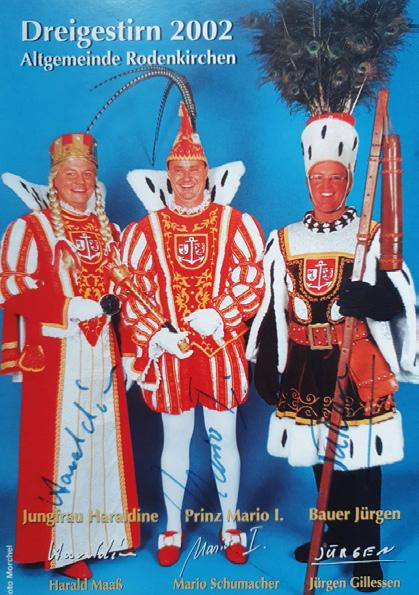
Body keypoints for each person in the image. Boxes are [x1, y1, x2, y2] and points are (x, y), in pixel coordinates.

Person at [246, 112, 418, 591]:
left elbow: (401, 300)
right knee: (321, 457)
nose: (326, 187)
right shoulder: (284, 240)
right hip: (306, 362)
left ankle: (366, 549)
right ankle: (337, 535)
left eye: (336, 178)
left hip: (356, 359)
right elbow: (272, 304)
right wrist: (266, 362)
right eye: (318, 178)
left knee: (361, 461)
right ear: (308, 181)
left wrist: (373, 300)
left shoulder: (371, 234)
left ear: (349, 181)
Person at [120, 103, 265, 566]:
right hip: (170, 356)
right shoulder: (144, 232)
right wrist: (156, 336)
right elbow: (130, 292)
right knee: (175, 441)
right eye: (178, 170)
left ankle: (230, 526)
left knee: (224, 440)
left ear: (207, 172)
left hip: (220, 352)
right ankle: (171, 527)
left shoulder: (236, 224)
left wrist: (219, 315)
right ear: (168, 174)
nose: (186, 178)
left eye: (194, 169)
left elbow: (253, 280)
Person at [0, 133, 140, 579]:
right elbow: (10, 284)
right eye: (71, 174)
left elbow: (129, 298)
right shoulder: (30, 228)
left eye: (88, 173)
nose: (80, 182)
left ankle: (103, 535)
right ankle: (61, 547)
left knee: (102, 441)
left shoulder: (112, 232)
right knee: (63, 447)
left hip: (104, 350)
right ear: (54, 180)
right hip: (57, 353)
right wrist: (66, 306)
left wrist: (132, 352)